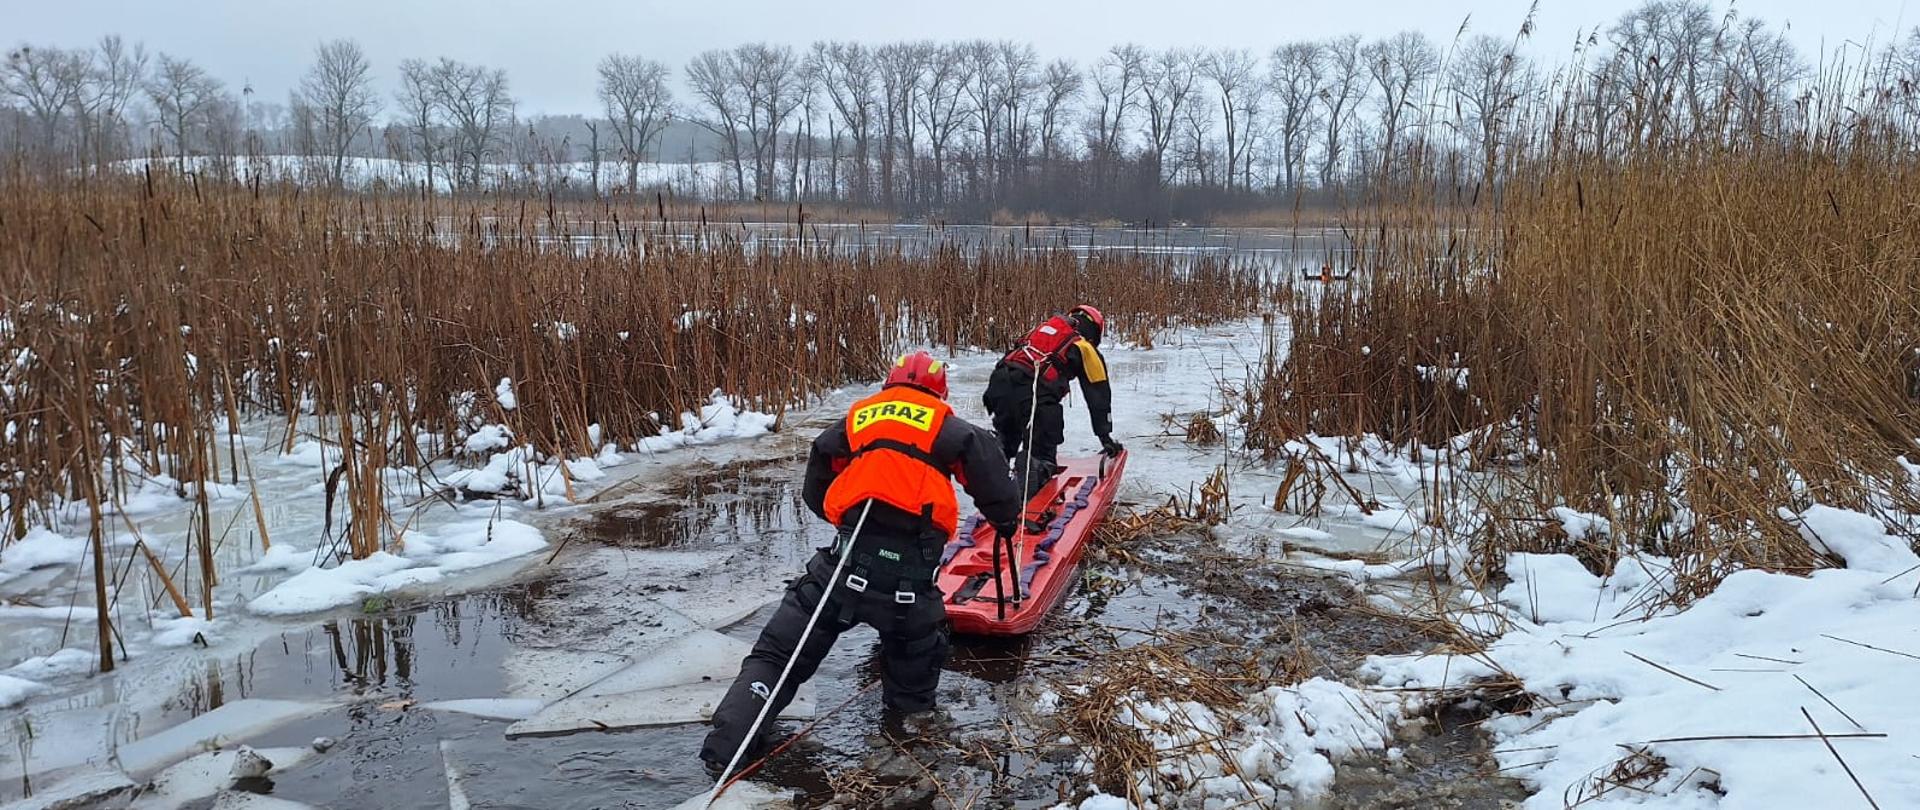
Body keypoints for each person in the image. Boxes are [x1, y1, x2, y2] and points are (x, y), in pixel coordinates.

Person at [699, 351, 1022, 773]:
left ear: (889, 385)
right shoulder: (950, 428)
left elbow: (817, 482)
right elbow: (999, 491)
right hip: (908, 588)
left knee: (776, 659)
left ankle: (722, 751)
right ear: (939, 391)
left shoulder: (857, 418)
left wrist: (845, 515)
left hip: (840, 570)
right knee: (912, 703)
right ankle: (903, 774)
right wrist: (1004, 521)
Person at [983, 304, 1122, 500]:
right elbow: (1098, 394)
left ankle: (994, 481)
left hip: (1000, 383)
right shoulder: (1083, 346)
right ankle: (1029, 497)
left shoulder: (1042, 330)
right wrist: (1105, 436)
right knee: (1041, 454)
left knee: (1007, 439)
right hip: (1033, 392)